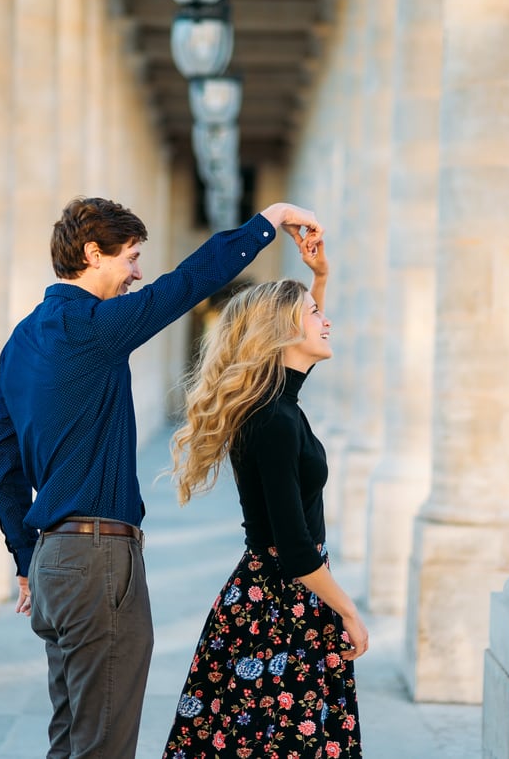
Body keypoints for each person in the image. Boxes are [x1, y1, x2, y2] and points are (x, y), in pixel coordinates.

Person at [0, 196, 324, 759]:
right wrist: (269, 221)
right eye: (132, 258)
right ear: (93, 254)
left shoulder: (21, 339)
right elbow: (186, 284)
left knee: (71, 739)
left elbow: (2, 458)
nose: (138, 273)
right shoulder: (93, 326)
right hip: (97, 562)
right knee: (103, 747)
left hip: (51, 563)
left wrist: (25, 560)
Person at [162, 240, 368, 759]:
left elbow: (300, 357)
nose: (327, 322)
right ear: (283, 331)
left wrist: (319, 277)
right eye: (316, 315)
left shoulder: (278, 403)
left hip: (277, 602)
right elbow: (295, 548)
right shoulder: (273, 419)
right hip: (280, 607)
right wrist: (350, 611)